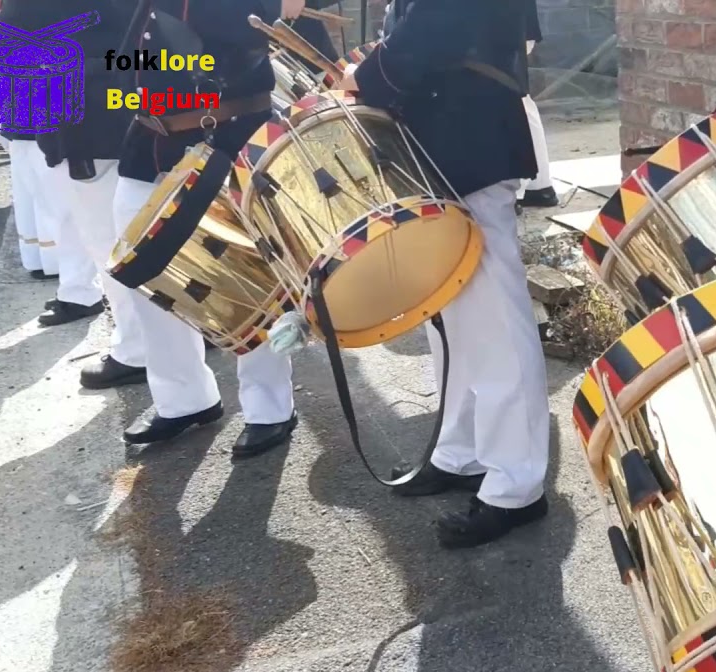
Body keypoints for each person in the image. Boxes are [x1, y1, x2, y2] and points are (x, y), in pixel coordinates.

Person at [341, 0, 551, 549]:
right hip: (444, 131)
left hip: (469, 133)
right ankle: (463, 453)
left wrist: (369, 74)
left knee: (493, 323)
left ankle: (516, 484)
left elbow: (441, 20)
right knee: (451, 316)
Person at [111, 0, 305, 457]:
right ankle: (184, 400)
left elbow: (280, 15)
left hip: (227, 134)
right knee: (146, 276)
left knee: (249, 279)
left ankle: (269, 407)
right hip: (149, 141)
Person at [0, 0, 108, 325]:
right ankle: (78, 289)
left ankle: (81, 290)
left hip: (57, 103)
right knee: (59, 203)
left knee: (70, 205)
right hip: (38, 104)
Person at [517, 0, 556, 209]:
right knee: (519, 101)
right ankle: (538, 186)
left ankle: (516, 191)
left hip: (497, 22)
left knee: (510, 101)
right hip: (508, 20)